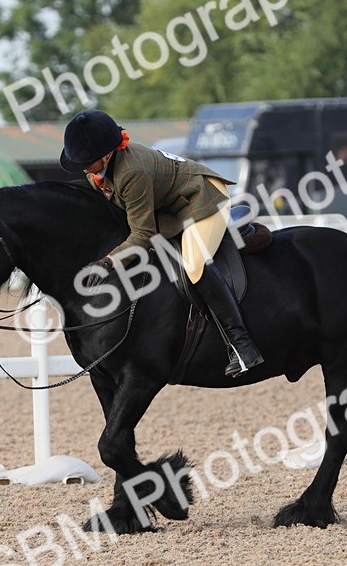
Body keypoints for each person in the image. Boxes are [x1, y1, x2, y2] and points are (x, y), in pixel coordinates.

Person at [60, 109, 264, 377]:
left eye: (87, 162)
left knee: (194, 264)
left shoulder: (132, 172)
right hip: (170, 207)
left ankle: (242, 345)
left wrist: (109, 261)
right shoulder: (97, 170)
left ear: (107, 154)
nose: (83, 168)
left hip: (203, 199)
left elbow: (142, 234)